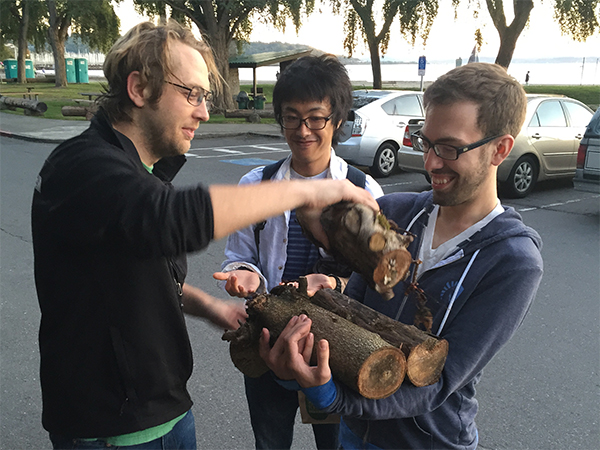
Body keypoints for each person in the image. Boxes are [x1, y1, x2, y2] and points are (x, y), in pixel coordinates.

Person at [31, 22, 378, 450]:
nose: (204, 112)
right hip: (118, 423)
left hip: (164, 407)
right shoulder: (87, 168)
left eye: (205, 97)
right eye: (191, 94)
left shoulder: (138, 173)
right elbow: (177, 219)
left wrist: (212, 308)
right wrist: (314, 190)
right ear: (139, 89)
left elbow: (145, 274)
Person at [259, 62, 544, 450]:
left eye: (449, 148)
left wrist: (333, 398)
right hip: (354, 432)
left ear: (500, 148)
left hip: (429, 442)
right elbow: (349, 311)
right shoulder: (394, 212)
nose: (430, 163)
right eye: (425, 142)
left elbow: (442, 381)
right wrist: (295, 360)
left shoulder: (513, 261)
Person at [212, 55, 384, 450]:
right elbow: (239, 255)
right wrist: (245, 275)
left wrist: (337, 282)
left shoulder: (363, 191)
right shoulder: (257, 185)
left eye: (316, 118)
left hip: (338, 349)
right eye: (291, 117)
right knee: (270, 442)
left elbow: (377, 278)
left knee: (337, 444)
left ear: (337, 120)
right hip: (269, 338)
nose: (303, 130)